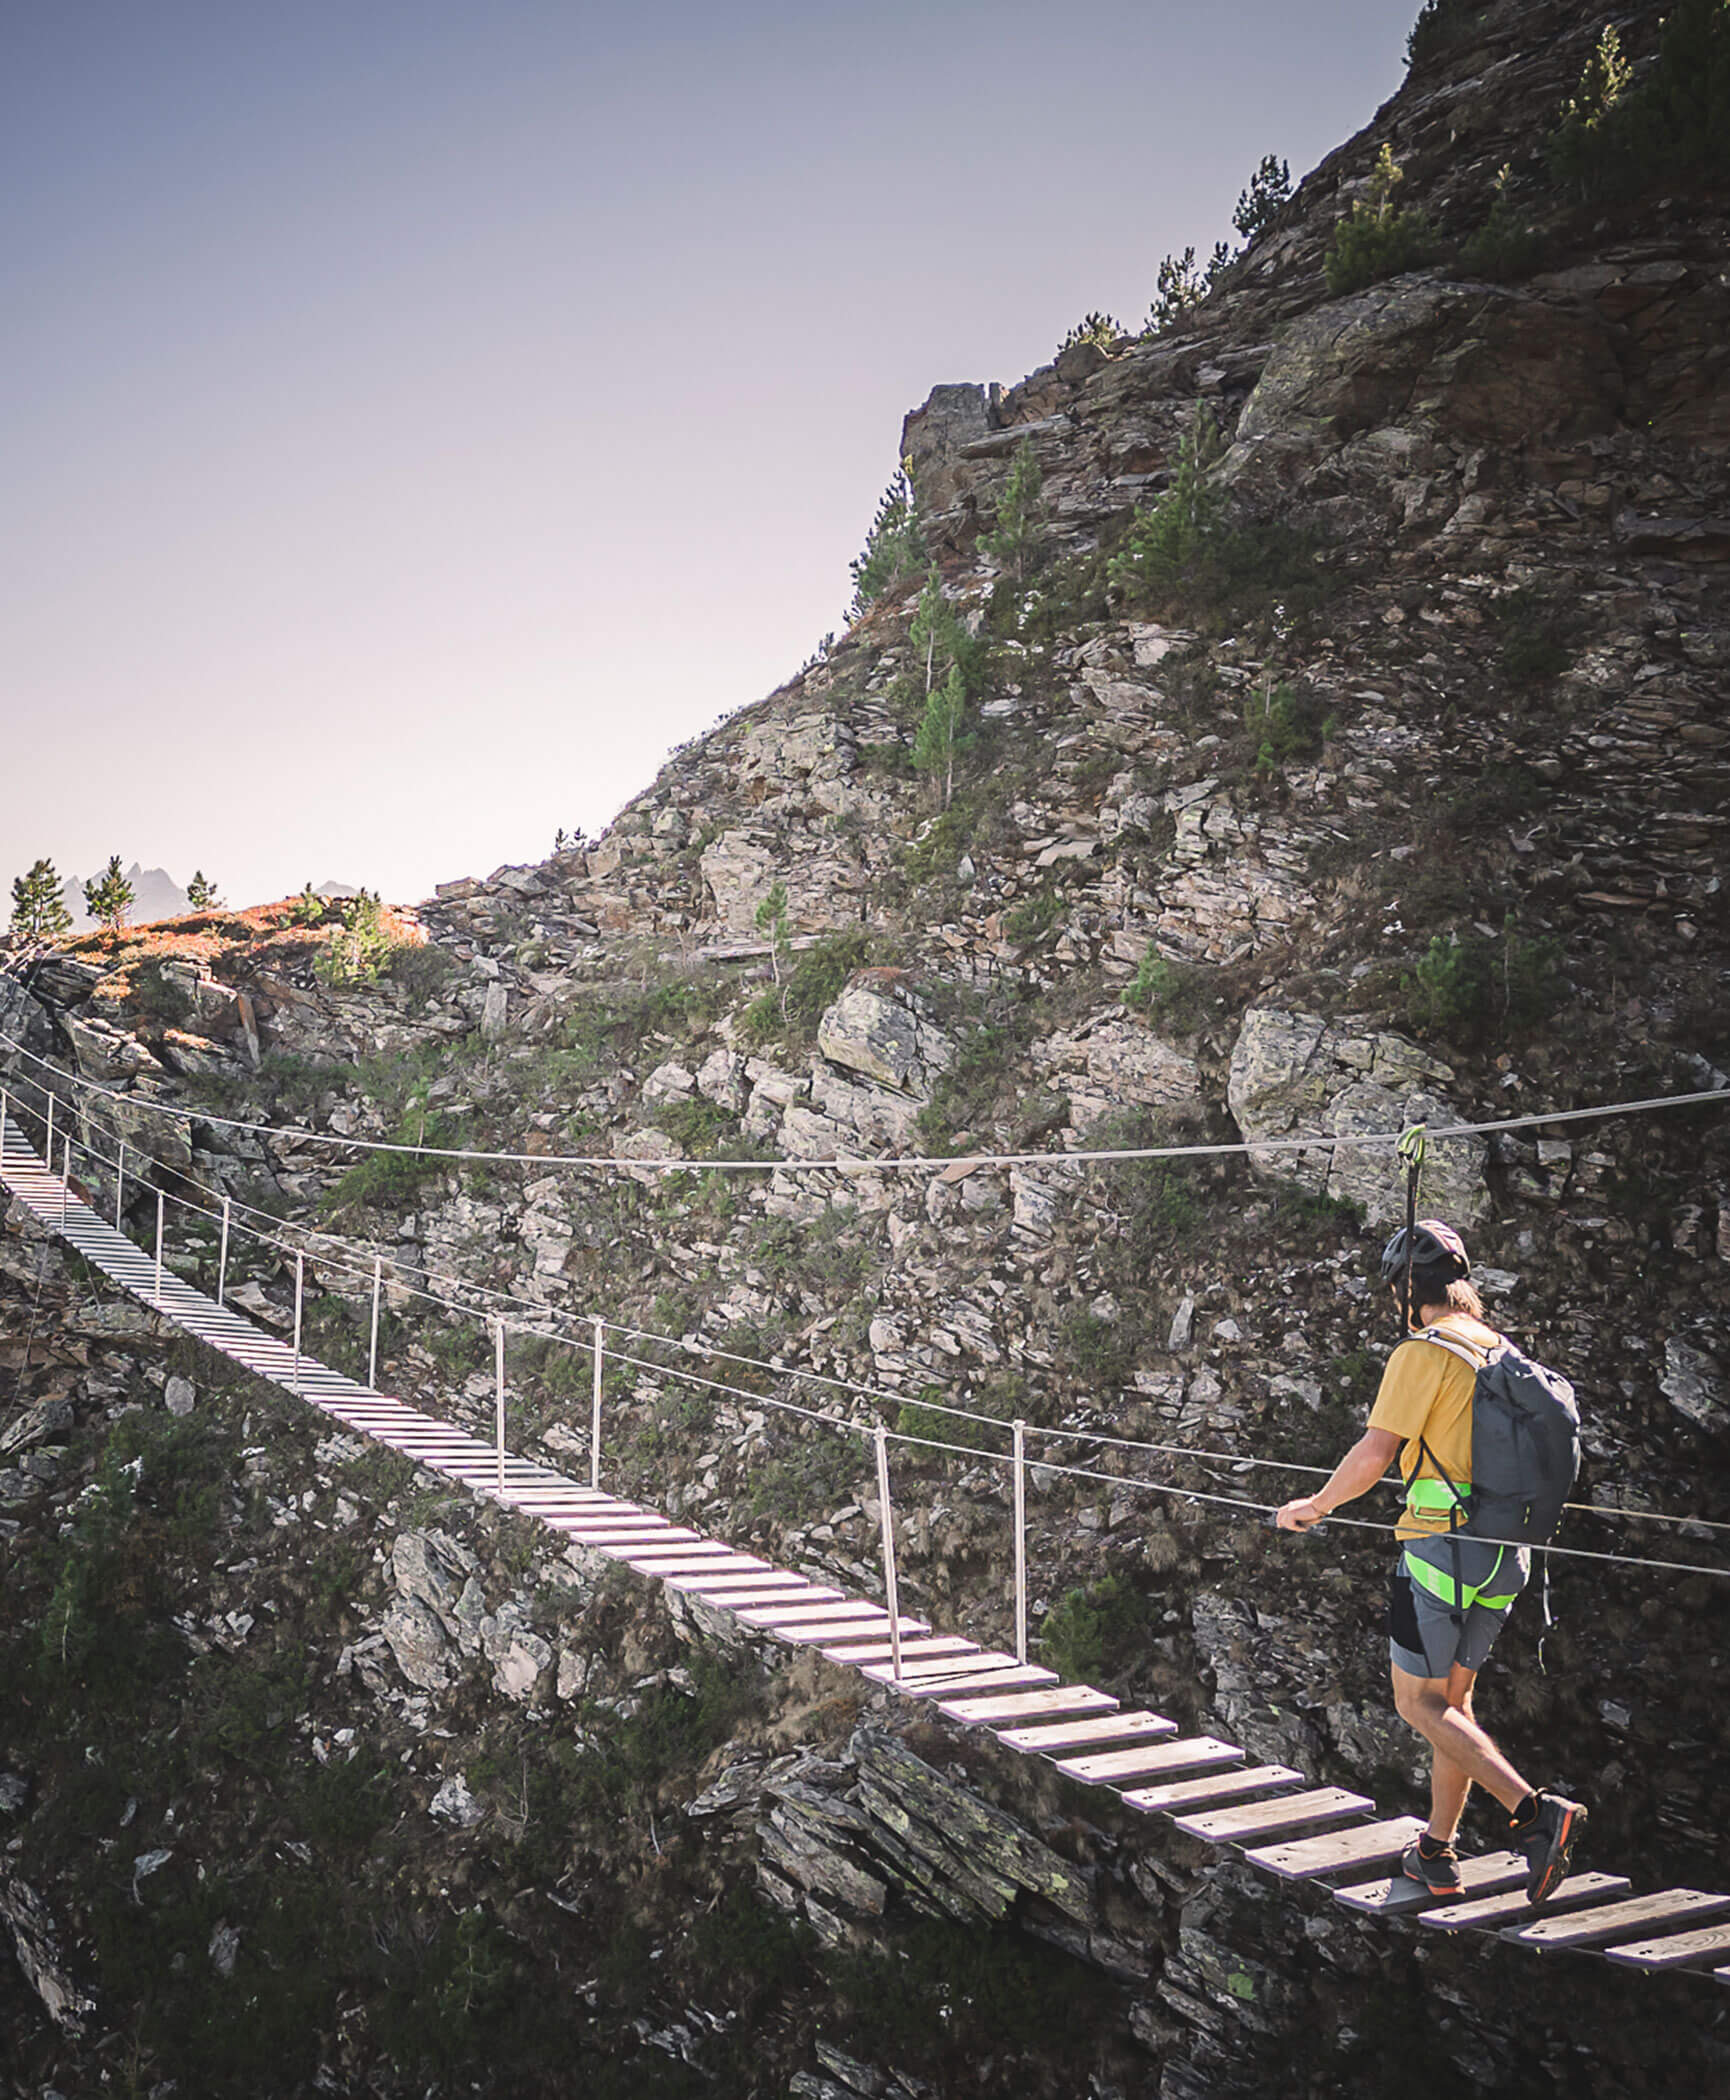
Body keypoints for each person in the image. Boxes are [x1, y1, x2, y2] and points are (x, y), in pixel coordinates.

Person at [1276, 1219, 1587, 1904]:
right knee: (1454, 1705)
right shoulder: (1497, 1350)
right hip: (1508, 1557)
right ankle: (1436, 1851)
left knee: (1417, 1702)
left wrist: (1316, 1505)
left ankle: (1537, 1815)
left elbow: (1376, 1452)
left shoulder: (1423, 1353)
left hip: (1441, 1550)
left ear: (1403, 1292)